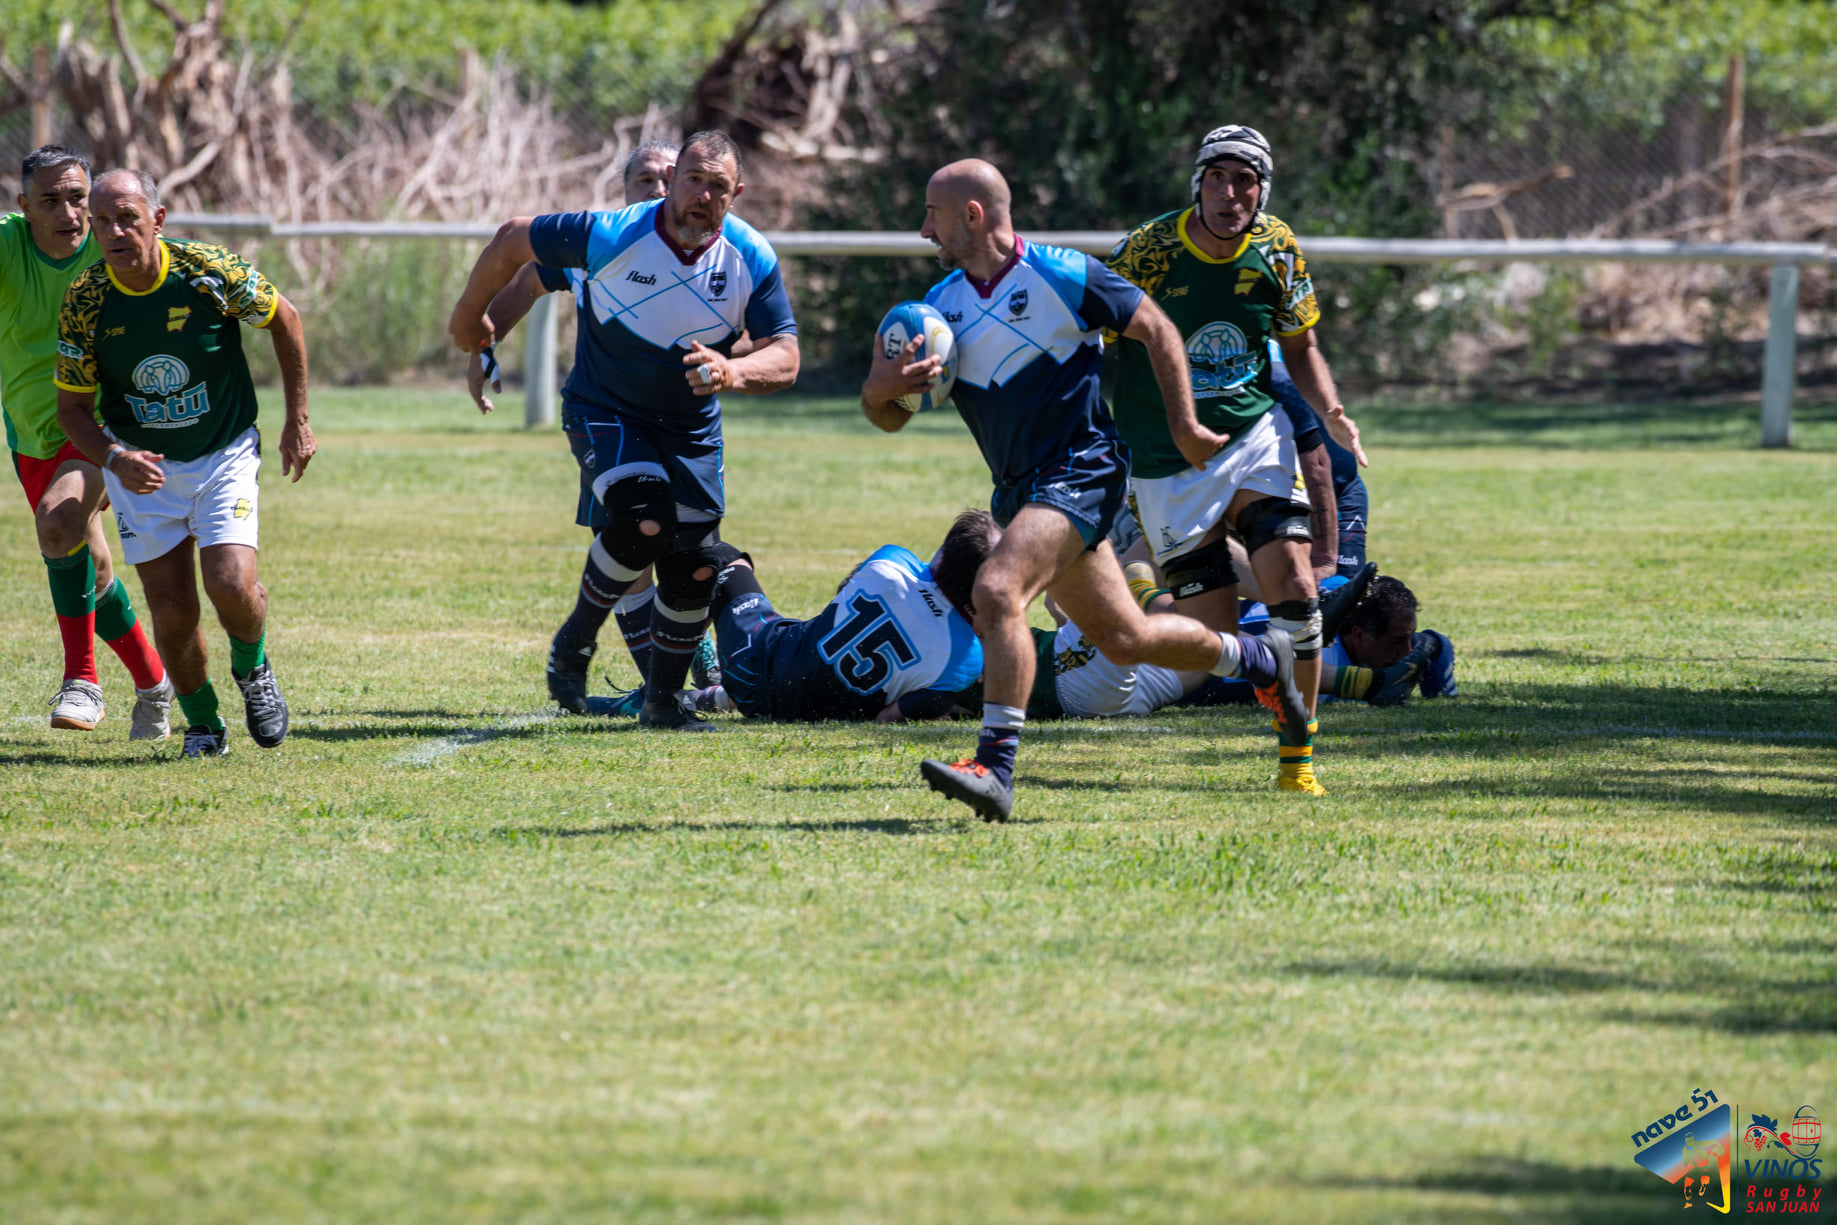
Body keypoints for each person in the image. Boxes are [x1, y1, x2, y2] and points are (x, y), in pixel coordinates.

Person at [861, 158, 1311, 822]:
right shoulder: (940, 311)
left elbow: (1155, 327)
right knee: (1125, 638)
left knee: (995, 588)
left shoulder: (1062, 274)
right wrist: (883, 386)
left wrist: (1184, 423)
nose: (924, 227)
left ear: (973, 215)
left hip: (1082, 470)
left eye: (932, 212)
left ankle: (995, 765)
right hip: (1023, 492)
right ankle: (1258, 657)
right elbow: (887, 417)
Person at [448, 130, 800, 731]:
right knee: (643, 523)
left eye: (718, 187)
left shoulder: (752, 257)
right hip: (605, 407)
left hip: (690, 430)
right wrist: (471, 324)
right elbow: (513, 243)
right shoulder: (612, 235)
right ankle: (577, 640)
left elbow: (787, 355)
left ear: (735, 194)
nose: (700, 195)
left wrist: (733, 370)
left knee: (693, 566)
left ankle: (663, 704)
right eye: (693, 179)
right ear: (674, 182)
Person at [1104, 124, 1367, 796]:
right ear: (1197, 184)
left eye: (1244, 180)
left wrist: (1332, 411)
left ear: (1262, 189)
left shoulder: (1276, 247)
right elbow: (1092, 334)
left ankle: (1297, 762)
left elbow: (1300, 346)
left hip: (1253, 437)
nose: (1230, 193)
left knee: (1298, 591)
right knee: (1210, 640)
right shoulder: (1148, 252)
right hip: (1168, 463)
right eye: (1217, 177)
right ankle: (1258, 666)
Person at [54, 169, 315, 757]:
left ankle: (253, 670)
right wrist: (115, 459)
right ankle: (204, 726)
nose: (114, 231)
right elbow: (72, 409)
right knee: (171, 609)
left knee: (231, 585)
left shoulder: (208, 272)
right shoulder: (88, 299)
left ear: (158, 220)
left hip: (222, 453)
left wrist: (296, 420)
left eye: (128, 218)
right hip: (142, 469)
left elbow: (286, 319)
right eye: (102, 222)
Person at [462, 140, 715, 708]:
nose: (656, 188)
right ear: (624, 191)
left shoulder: (716, 254)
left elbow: (755, 329)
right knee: (628, 541)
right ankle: (657, 683)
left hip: (681, 424)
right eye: (644, 179)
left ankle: (698, 666)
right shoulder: (603, 244)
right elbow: (527, 279)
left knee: (689, 549)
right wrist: (484, 343)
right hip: (610, 417)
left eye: (666, 179)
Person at [4, 145, 170, 736]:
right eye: (50, 201)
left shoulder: (113, 247)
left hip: (105, 422)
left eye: (78, 198)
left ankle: (83, 680)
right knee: (89, 566)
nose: (69, 213)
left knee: (57, 520)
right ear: (24, 207)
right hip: (31, 431)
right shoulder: (7, 247)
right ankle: (155, 684)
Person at [691, 510, 996, 723]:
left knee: (722, 558)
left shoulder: (892, 560)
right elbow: (889, 717)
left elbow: (843, 595)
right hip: (788, 706)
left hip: (753, 664)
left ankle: (660, 687)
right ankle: (709, 685)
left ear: (944, 553)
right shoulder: (966, 662)